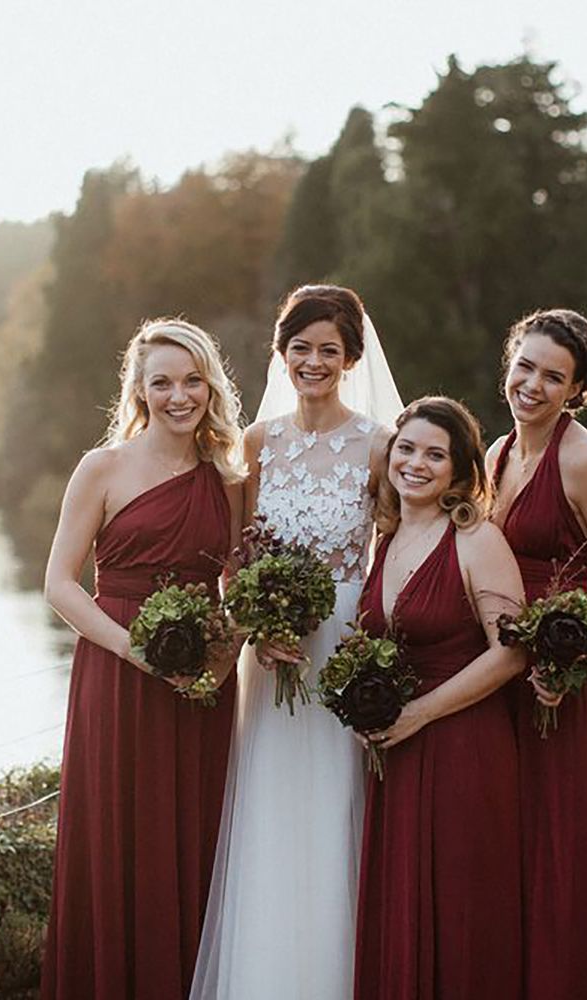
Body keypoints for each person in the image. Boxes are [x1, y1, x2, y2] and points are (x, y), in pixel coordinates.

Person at [191, 285, 402, 1000]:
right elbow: (236, 558)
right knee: (271, 806)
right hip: (272, 651)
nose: (314, 362)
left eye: (329, 350)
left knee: (337, 804)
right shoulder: (257, 443)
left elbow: (395, 554)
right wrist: (256, 626)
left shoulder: (379, 445)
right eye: (301, 348)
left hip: (343, 644)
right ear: (281, 353)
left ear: (351, 359)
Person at [40, 319, 247, 1000]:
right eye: (162, 382)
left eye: (192, 381)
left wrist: (224, 660)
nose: (179, 396)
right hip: (116, 671)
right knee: (117, 832)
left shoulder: (227, 476)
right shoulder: (101, 468)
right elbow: (60, 584)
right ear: (138, 390)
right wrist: (134, 650)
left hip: (200, 684)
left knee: (189, 834)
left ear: (210, 387)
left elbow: (238, 583)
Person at [487, 308, 587, 999]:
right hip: (502, 674)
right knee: (511, 841)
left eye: (553, 377)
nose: (532, 385)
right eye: (524, 367)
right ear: (508, 365)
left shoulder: (583, 462)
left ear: (576, 390)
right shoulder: (496, 454)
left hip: (563, 680)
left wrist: (571, 660)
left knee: (564, 845)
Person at [354, 397, 527, 1000]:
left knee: (461, 905)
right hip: (397, 751)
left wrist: (420, 713)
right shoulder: (386, 539)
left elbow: (510, 653)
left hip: (464, 746)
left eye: (435, 455)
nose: (416, 464)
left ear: (459, 471)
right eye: (406, 449)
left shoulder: (476, 539)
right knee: (404, 900)